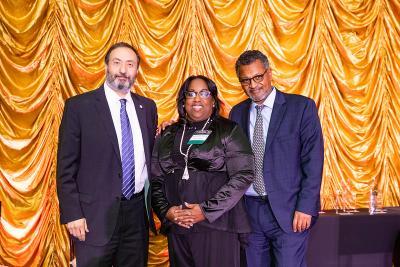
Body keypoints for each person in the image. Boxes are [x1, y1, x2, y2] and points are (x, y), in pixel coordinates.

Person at [57, 42, 157, 266]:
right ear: (106, 66)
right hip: (93, 217)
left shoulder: (148, 107)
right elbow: (65, 168)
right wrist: (73, 213)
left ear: (137, 70)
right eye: (117, 63)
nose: (123, 70)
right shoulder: (79, 107)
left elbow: (148, 156)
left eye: (130, 64)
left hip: (136, 215)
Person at [229, 50, 324, 267]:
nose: (253, 85)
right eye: (245, 80)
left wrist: (306, 207)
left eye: (258, 77)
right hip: (250, 212)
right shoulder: (237, 113)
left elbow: (313, 160)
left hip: (290, 212)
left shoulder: (301, 107)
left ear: (269, 73)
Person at [151, 75, 255, 267]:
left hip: (217, 225)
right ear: (183, 101)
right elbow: (156, 178)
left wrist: (205, 211)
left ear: (213, 101)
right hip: (178, 226)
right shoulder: (169, 133)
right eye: (191, 94)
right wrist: (167, 211)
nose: (197, 99)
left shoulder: (228, 130)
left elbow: (244, 174)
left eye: (204, 93)